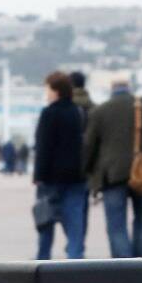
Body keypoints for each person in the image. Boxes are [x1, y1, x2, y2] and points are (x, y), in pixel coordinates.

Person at [82, 76, 142, 257]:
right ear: (129, 88)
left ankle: (123, 266)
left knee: (116, 225)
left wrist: (87, 171)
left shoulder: (99, 111)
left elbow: (89, 146)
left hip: (112, 175)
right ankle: (139, 264)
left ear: (112, 89)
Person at [32, 69, 89, 260]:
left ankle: (43, 259)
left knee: (46, 221)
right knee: (75, 223)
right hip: (76, 176)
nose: (46, 93)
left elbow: (44, 146)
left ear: (56, 90)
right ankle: (75, 259)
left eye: (48, 89)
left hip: (51, 177)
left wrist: (38, 176)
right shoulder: (77, 112)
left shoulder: (49, 113)